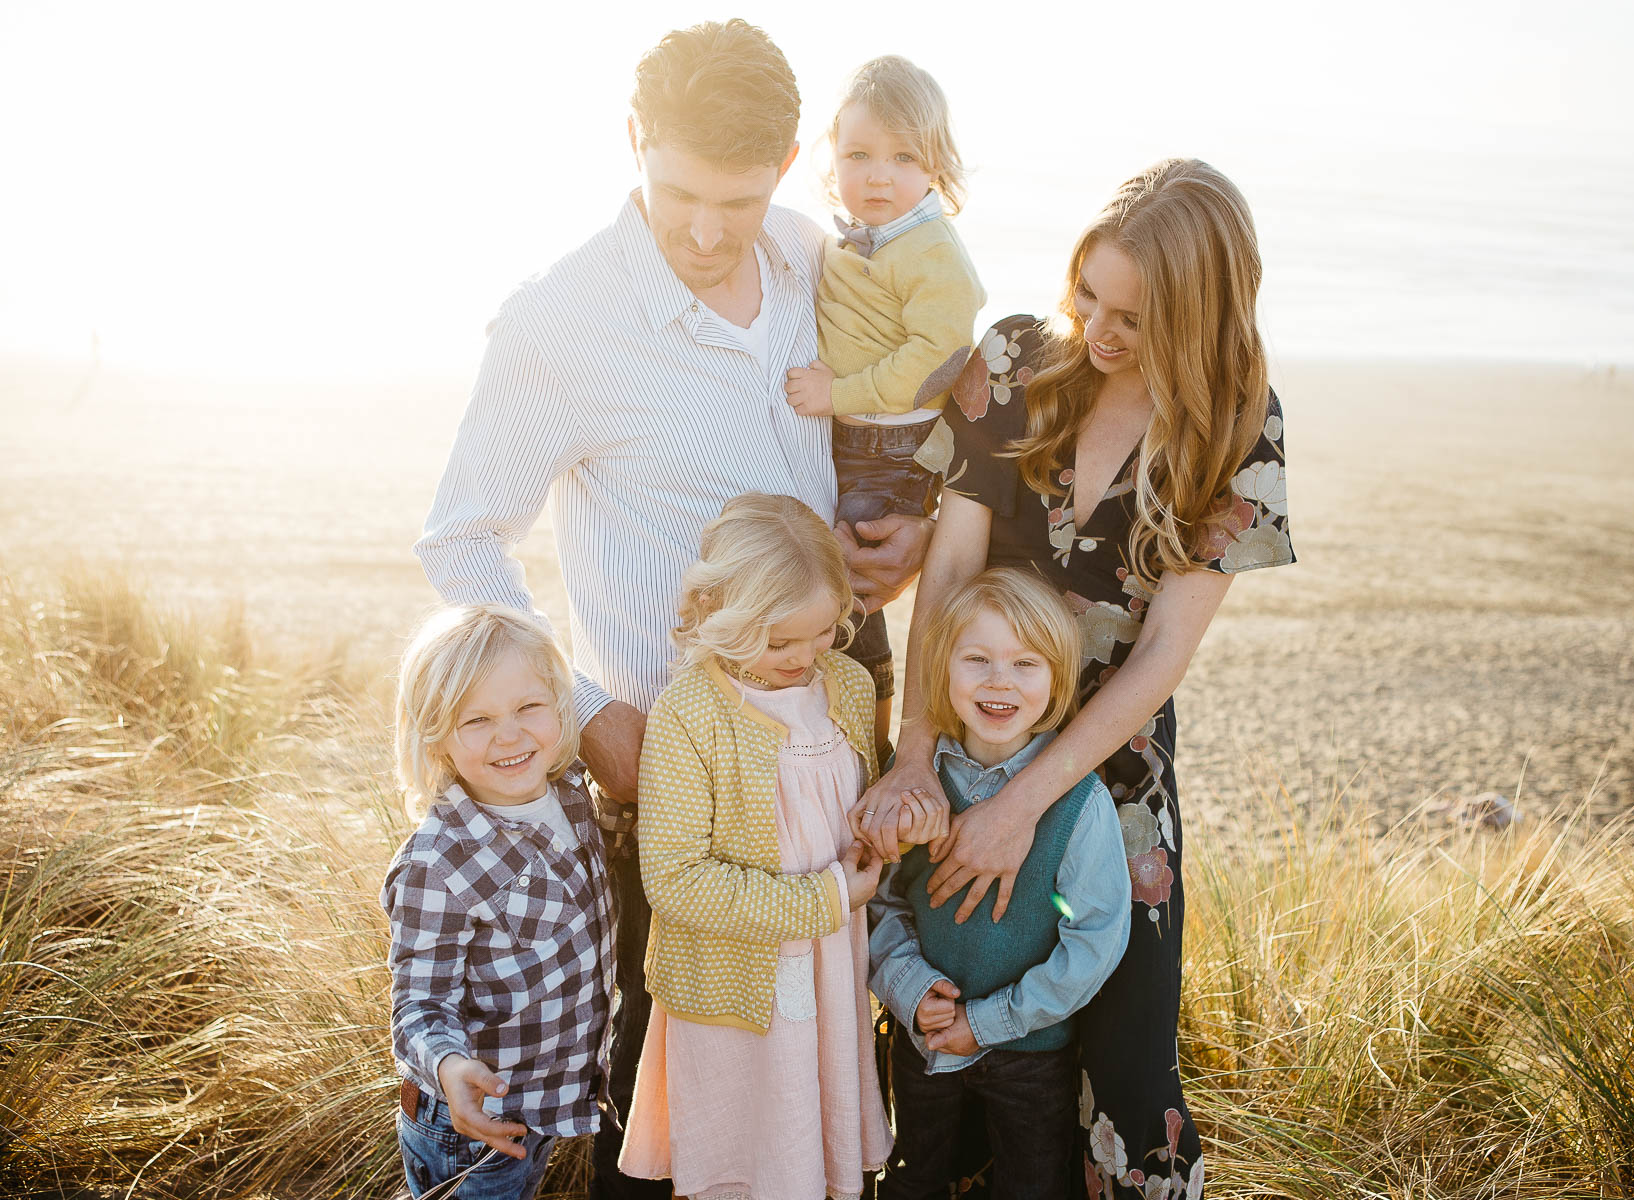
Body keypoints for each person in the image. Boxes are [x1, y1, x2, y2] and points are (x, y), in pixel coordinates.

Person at [412, 21, 932, 1198]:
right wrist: (585, 712)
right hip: (677, 750)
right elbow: (460, 537)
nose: (705, 232)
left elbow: (888, 406)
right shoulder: (557, 324)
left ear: (788, 164)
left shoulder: (811, 254)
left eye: (738, 200)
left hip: (836, 707)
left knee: (833, 1014)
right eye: (679, 192)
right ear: (633, 140)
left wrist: (906, 521)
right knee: (675, 1062)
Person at [861, 158, 1297, 1197]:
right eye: (1088, 294)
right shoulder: (1015, 360)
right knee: (944, 1039)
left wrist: (1025, 808)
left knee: (1126, 1062)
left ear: (1198, 316)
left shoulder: (1240, 425)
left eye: (1134, 318)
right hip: (969, 743)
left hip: (1115, 770)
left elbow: (1162, 655)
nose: (1098, 329)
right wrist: (916, 755)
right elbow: (950, 574)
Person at [618, 494, 915, 1200]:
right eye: (780, 642)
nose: (804, 657)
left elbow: (854, 809)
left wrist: (890, 833)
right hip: (735, 987)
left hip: (831, 970)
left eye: (822, 633)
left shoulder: (846, 685)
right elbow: (677, 880)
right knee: (751, 1156)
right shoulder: (691, 713)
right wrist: (828, 896)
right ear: (719, 612)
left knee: (815, 1143)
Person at [868, 568, 1131, 1200]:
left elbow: (1094, 937)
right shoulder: (917, 781)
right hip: (924, 1036)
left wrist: (990, 1021)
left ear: (1057, 680)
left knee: (1030, 1186)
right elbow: (879, 899)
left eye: (1025, 664)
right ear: (942, 669)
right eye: (977, 659)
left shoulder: (1079, 803)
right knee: (910, 1180)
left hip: (1031, 1053)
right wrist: (908, 986)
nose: (999, 681)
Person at [782, 55, 984, 750]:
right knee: (832, 578)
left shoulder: (932, 252)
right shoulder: (866, 235)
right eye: (858, 155)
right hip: (856, 435)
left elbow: (933, 365)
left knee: (851, 587)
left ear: (936, 166)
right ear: (831, 157)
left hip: (890, 445)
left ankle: (871, 731)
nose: (877, 175)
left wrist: (835, 393)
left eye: (903, 158)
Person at [383, 605, 614, 1200]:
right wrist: (449, 1066)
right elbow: (419, 1003)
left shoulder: (573, 795)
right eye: (477, 719)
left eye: (528, 707)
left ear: (560, 705)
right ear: (435, 735)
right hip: (471, 1121)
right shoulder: (439, 861)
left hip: (544, 1103)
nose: (509, 735)